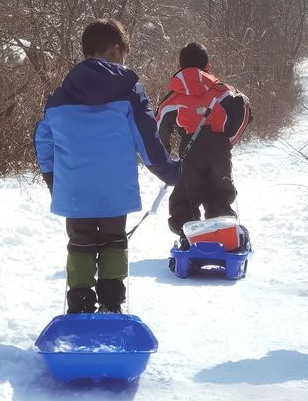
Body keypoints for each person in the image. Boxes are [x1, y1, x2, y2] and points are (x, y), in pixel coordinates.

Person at [34, 19, 181, 314]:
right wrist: (172, 172)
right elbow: (148, 142)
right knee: (114, 240)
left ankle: (79, 303)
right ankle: (112, 304)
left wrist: (54, 181)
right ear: (116, 51)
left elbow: (43, 143)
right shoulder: (129, 92)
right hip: (115, 188)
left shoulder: (58, 98)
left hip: (75, 188)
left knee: (80, 242)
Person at [156, 42, 251, 245]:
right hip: (219, 150)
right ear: (207, 65)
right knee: (219, 194)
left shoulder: (174, 96)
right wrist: (229, 140)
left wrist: (165, 155)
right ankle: (225, 238)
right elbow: (244, 108)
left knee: (185, 198)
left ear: (179, 65)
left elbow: (159, 124)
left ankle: (188, 238)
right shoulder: (223, 91)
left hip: (190, 150)